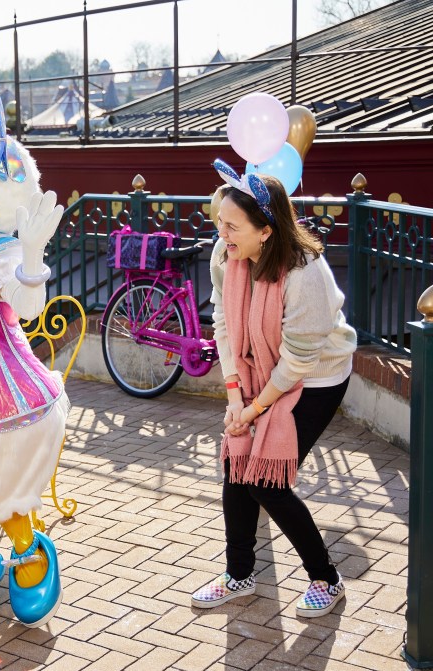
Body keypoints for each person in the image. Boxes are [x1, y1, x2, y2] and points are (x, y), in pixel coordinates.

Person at [191, 159, 356, 618]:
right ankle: (239, 575)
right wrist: (233, 397)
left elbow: (299, 359)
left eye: (231, 226)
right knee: (236, 464)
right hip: (256, 372)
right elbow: (224, 325)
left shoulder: (305, 272)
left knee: (267, 483)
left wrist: (256, 407)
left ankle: (328, 579)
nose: (221, 233)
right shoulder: (227, 256)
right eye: (219, 222)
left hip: (317, 376)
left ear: (265, 230)